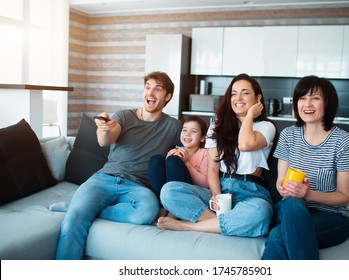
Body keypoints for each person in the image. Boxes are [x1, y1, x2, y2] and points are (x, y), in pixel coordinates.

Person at [55, 71, 182, 260]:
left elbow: (191, 147)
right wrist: (103, 128)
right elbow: (106, 139)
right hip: (104, 179)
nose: (151, 93)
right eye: (147, 88)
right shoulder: (124, 116)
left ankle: (81, 207)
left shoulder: (173, 126)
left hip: (137, 187)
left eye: (157, 89)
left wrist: (182, 151)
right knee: (73, 221)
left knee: (147, 212)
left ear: (168, 96)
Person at [156, 73, 275, 238]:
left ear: (258, 99)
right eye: (234, 93)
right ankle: (216, 223)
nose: (238, 98)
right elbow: (213, 169)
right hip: (222, 186)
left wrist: (248, 115)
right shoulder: (217, 127)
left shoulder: (266, 127)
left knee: (260, 212)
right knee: (169, 191)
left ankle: (187, 226)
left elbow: (245, 144)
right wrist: (217, 196)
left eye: (245, 93)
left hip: (251, 193)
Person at [261, 75, 349, 260]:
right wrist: (284, 188)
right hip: (290, 210)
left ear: (328, 103)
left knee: (278, 236)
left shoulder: (344, 141)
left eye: (315, 98)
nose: (307, 104)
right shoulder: (288, 135)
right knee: (291, 202)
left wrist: (308, 194)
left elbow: (344, 197)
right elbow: (280, 183)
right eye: (302, 98)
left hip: (332, 217)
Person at [148, 115, 209, 200]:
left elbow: (205, 183)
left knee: (173, 161)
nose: (187, 134)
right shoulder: (175, 151)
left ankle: (175, 204)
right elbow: (163, 177)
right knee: (156, 159)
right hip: (168, 190)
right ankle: (161, 204)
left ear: (202, 138)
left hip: (190, 191)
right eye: (184, 130)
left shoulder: (205, 154)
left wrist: (186, 162)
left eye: (193, 131)